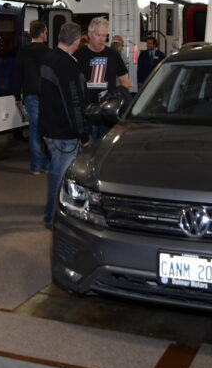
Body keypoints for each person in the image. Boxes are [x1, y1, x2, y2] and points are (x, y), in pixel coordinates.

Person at [39, 22, 90, 229]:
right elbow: (74, 105)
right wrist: (83, 133)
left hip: (49, 128)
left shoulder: (48, 58)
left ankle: (56, 214)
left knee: (56, 172)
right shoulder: (67, 66)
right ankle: (52, 218)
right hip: (64, 132)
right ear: (77, 41)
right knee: (58, 176)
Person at [74, 16, 130, 140]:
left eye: (105, 36)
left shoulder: (113, 55)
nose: (102, 39)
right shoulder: (79, 55)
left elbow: (125, 82)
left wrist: (114, 98)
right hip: (87, 113)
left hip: (108, 114)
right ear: (89, 34)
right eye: (98, 35)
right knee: (87, 151)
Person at [14, 20, 49, 175]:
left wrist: (17, 95)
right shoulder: (48, 52)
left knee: (34, 130)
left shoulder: (22, 51)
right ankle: (47, 165)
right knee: (47, 130)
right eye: (46, 32)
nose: (46, 34)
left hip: (30, 94)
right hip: (47, 94)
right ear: (41, 33)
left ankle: (35, 166)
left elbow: (17, 75)